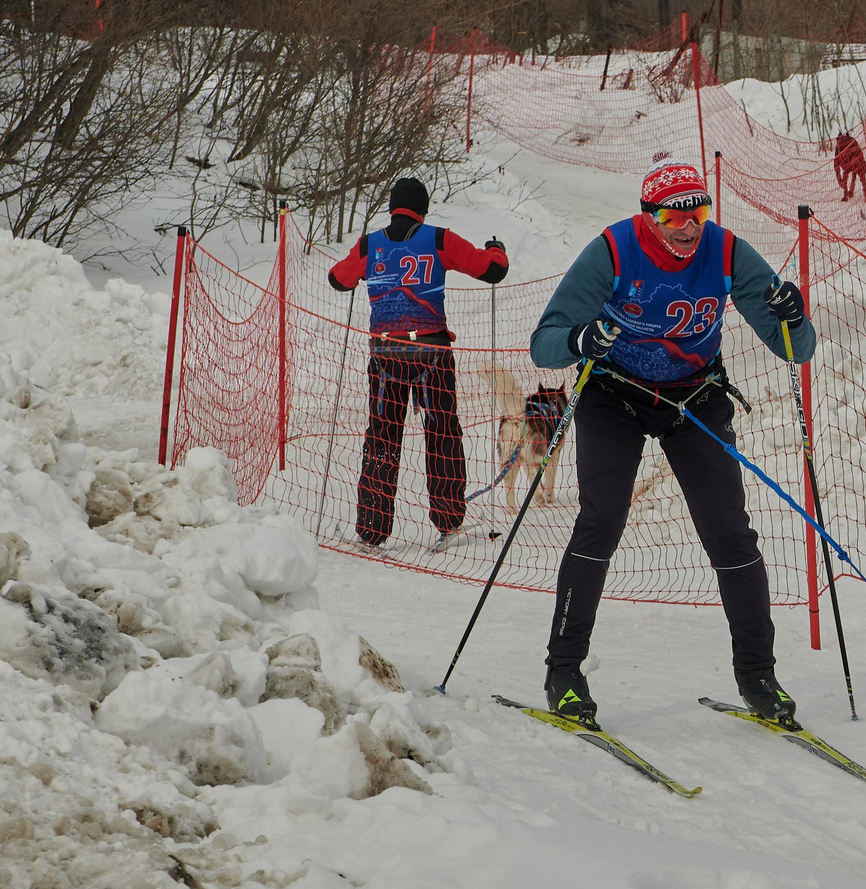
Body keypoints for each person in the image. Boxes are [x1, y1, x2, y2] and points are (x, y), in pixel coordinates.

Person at [530, 154, 813, 729]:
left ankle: (758, 674)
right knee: (601, 520)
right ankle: (564, 672)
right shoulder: (613, 251)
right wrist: (584, 337)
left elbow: (793, 349)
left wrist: (793, 314)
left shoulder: (726, 251)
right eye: (672, 217)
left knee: (729, 530)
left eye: (697, 212)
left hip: (692, 398)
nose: (686, 227)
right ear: (648, 217)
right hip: (615, 396)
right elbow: (545, 344)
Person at [327, 176, 509, 548]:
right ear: (423, 210)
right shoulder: (438, 238)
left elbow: (337, 279)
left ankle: (371, 530)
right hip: (432, 355)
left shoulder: (369, 244)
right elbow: (492, 269)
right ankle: (449, 521)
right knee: (442, 434)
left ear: (392, 207)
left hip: (385, 355)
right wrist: (497, 249)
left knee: (381, 438)